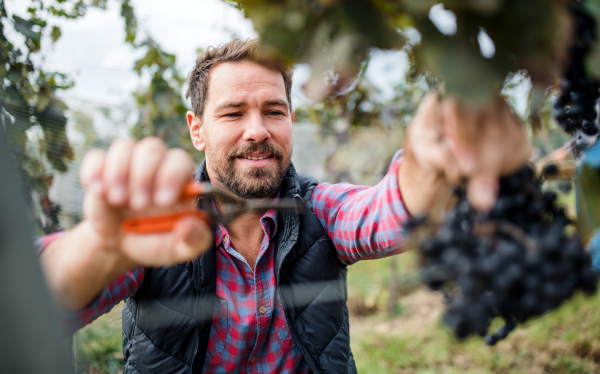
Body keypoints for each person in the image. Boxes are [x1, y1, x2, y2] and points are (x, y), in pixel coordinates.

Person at [38, 39, 531, 374]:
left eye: (274, 111)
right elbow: (31, 301)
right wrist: (101, 246)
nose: (258, 129)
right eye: (233, 113)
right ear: (197, 128)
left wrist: (430, 163)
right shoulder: (157, 229)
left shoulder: (322, 210)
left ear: (291, 119)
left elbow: (391, 210)